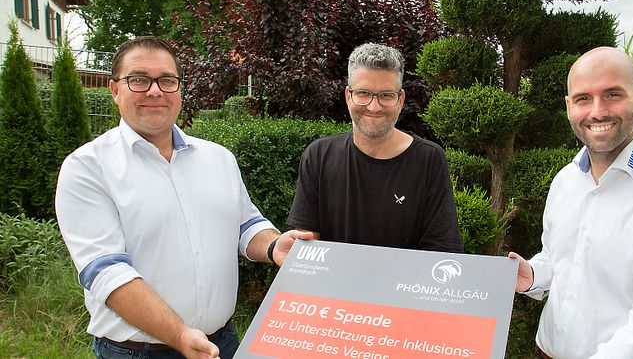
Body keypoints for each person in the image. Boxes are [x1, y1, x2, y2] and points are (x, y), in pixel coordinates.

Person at [55, 36, 312, 359]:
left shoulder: (218, 158)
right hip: (138, 353)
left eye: (167, 80)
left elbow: (246, 224)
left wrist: (274, 246)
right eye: (138, 79)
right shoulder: (88, 167)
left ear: (179, 89)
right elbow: (107, 273)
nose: (155, 91)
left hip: (223, 342)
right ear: (114, 90)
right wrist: (178, 334)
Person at [508, 46, 633, 358]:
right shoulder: (565, 180)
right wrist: (534, 275)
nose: (597, 111)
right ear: (568, 107)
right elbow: (559, 258)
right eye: (583, 98)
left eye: (612, 94)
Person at [286, 43, 463, 253]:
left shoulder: (429, 160)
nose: (374, 106)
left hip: (404, 286)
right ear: (348, 96)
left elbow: (441, 250)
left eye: (386, 95)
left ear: (401, 100)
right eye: (363, 93)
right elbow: (307, 248)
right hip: (334, 286)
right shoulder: (319, 156)